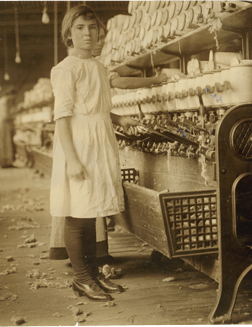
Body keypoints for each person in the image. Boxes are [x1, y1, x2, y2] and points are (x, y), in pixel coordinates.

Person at [49, 5, 166, 302]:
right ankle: (82, 278)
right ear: (68, 35)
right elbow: (63, 118)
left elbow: (95, 108)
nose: (87, 34)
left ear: (99, 32)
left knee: (92, 213)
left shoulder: (98, 66)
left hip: (99, 141)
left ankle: (93, 274)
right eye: (79, 29)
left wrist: (118, 119)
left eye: (91, 28)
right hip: (79, 145)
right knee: (78, 214)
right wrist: (72, 160)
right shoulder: (65, 70)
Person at [0, 89, 16, 168]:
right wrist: (13, 117)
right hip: (3, 124)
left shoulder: (0, 100)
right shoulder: (5, 101)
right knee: (5, 144)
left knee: (1, 143)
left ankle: (2, 162)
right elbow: (5, 115)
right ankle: (6, 163)